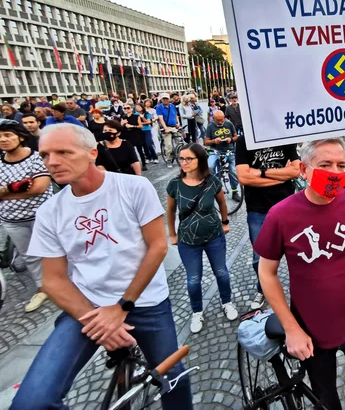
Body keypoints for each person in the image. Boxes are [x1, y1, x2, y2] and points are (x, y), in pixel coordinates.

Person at [11, 123, 193, 410]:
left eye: (63, 152)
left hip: (144, 302)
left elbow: (157, 247)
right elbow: (53, 281)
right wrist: (99, 321)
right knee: (32, 402)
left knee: (174, 377)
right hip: (88, 310)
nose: (52, 162)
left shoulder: (133, 187)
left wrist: (121, 306)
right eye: (45, 155)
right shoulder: (49, 211)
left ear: (92, 152)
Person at [255, 138, 345, 410]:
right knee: (326, 404)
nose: (335, 172)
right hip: (311, 333)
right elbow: (267, 272)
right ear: (304, 170)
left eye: (341, 165)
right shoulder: (281, 214)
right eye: (325, 164)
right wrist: (291, 329)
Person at [166, 144, 237, 331]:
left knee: (221, 272)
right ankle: (197, 312)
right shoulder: (174, 185)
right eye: (181, 158)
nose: (184, 162)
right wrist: (172, 234)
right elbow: (171, 211)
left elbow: (222, 202)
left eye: (189, 158)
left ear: (200, 160)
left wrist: (225, 222)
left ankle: (226, 302)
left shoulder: (212, 181)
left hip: (214, 235)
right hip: (188, 240)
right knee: (193, 279)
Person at [236, 136, 301, 310]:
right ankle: (263, 289)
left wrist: (261, 172)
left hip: (287, 207)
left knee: (297, 254)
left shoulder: (283, 137)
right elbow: (243, 177)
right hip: (257, 209)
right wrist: (280, 177)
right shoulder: (244, 141)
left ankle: (302, 291)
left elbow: (296, 171)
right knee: (259, 258)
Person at [0, 120, 53, 312]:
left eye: (7, 135)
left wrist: (4, 193)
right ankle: (42, 289)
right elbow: (26, 189)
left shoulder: (36, 158)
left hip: (42, 216)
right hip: (12, 219)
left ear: (20, 137)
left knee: (56, 251)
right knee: (29, 256)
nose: (3, 140)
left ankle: (69, 284)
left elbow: (39, 188)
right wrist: (12, 187)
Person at [204, 110, 240, 201]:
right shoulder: (210, 126)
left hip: (229, 150)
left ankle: (235, 191)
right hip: (215, 151)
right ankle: (216, 186)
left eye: (222, 119)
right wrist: (214, 141)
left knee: (233, 170)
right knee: (210, 166)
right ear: (213, 119)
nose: (220, 122)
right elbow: (206, 142)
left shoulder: (229, 124)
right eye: (218, 120)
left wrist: (230, 139)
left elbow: (236, 137)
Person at [156, 94, 181, 168]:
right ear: (161, 99)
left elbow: (176, 115)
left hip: (174, 127)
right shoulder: (159, 107)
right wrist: (165, 128)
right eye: (164, 99)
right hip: (166, 127)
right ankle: (169, 160)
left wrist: (178, 123)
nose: (165, 100)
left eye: (166, 98)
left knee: (179, 141)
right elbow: (161, 118)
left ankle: (180, 156)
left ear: (169, 99)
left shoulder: (172, 106)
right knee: (168, 145)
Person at [121, 104, 147, 171]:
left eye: (128, 108)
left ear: (132, 109)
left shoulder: (136, 116)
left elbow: (141, 126)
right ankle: (133, 165)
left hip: (136, 134)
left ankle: (144, 164)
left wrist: (132, 126)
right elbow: (121, 127)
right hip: (128, 135)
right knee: (130, 150)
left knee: (140, 150)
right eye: (125, 108)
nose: (126, 109)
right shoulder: (123, 117)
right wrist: (122, 124)